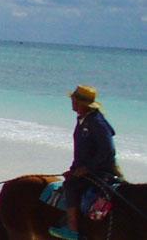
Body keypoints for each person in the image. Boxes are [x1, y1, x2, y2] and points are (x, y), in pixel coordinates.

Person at [49, 85, 119, 240]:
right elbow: (83, 152)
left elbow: (108, 151)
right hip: (86, 169)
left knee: (71, 186)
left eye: (74, 100)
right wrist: (73, 169)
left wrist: (87, 168)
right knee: (70, 180)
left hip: (100, 171)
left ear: (82, 103)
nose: (72, 102)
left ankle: (73, 229)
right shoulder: (84, 120)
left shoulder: (97, 123)